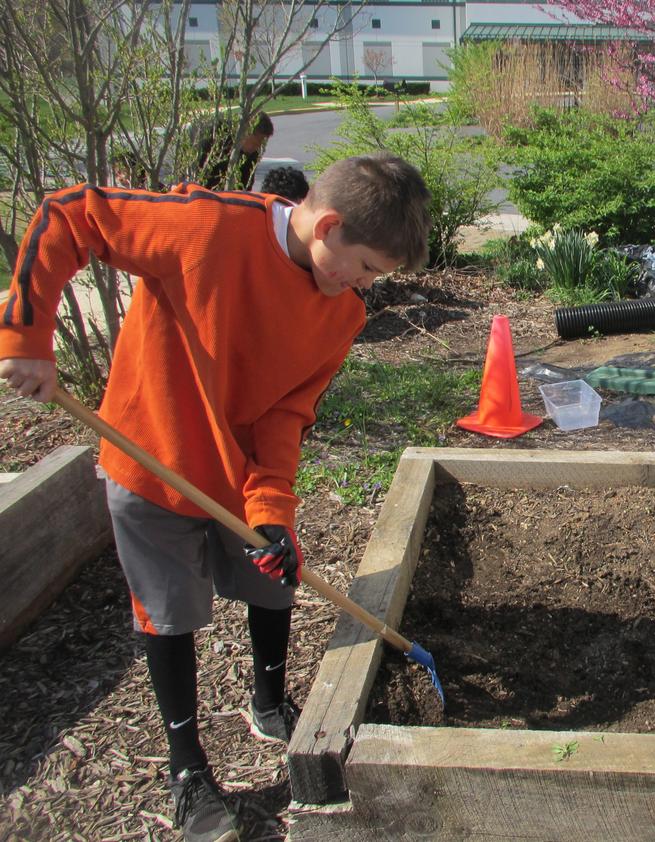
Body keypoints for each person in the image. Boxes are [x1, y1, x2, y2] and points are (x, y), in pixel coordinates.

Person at [0, 153, 431, 842]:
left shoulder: (340, 314)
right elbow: (71, 213)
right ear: (329, 225)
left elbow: (285, 416)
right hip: (153, 463)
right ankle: (187, 767)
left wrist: (272, 515)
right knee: (169, 616)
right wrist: (27, 334)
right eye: (369, 267)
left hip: (238, 480)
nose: (367, 286)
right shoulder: (208, 229)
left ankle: (268, 702)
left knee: (272, 585)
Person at [194, 111, 275, 191]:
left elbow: (246, 186)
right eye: (255, 143)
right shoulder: (218, 142)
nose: (257, 148)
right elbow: (202, 176)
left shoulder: (252, 153)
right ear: (247, 132)